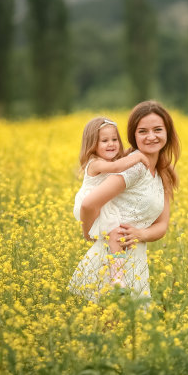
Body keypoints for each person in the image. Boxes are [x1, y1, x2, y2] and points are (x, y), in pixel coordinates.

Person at [68, 100, 180, 302]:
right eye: (143, 131)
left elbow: (162, 225)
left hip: (136, 262)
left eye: (157, 129)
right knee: (109, 329)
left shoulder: (164, 173)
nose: (151, 136)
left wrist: (140, 233)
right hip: (109, 263)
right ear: (133, 136)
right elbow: (89, 203)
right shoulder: (133, 167)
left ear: (168, 132)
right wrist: (88, 234)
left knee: (129, 330)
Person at [72, 117, 150, 287]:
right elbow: (117, 168)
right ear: (92, 144)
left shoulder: (110, 160)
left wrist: (134, 151)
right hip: (93, 207)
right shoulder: (95, 163)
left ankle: (115, 276)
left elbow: (121, 160)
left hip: (103, 206)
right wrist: (139, 157)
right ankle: (117, 278)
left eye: (115, 139)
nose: (111, 144)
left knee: (116, 237)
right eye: (105, 140)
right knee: (115, 234)